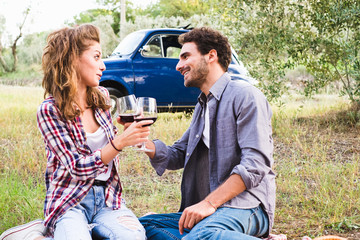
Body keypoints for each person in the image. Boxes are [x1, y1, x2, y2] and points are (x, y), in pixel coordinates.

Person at [0, 24, 152, 240]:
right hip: (70, 200)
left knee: (135, 238)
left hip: (108, 198)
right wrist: (119, 143)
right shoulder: (49, 110)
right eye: (97, 57)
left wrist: (125, 134)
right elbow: (77, 167)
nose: (103, 66)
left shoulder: (102, 97)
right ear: (73, 59)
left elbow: (106, 146)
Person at [138, 27, 276, 239]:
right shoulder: (203, 105)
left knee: (201, 236)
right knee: (140, 227)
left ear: (211, 55)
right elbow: (179, 154)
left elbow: (255, 164)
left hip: (246, 206)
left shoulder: (245, 95)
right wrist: (141, 141)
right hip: (212, 211)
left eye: (185, 56)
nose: (178, 66)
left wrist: (209, 203)